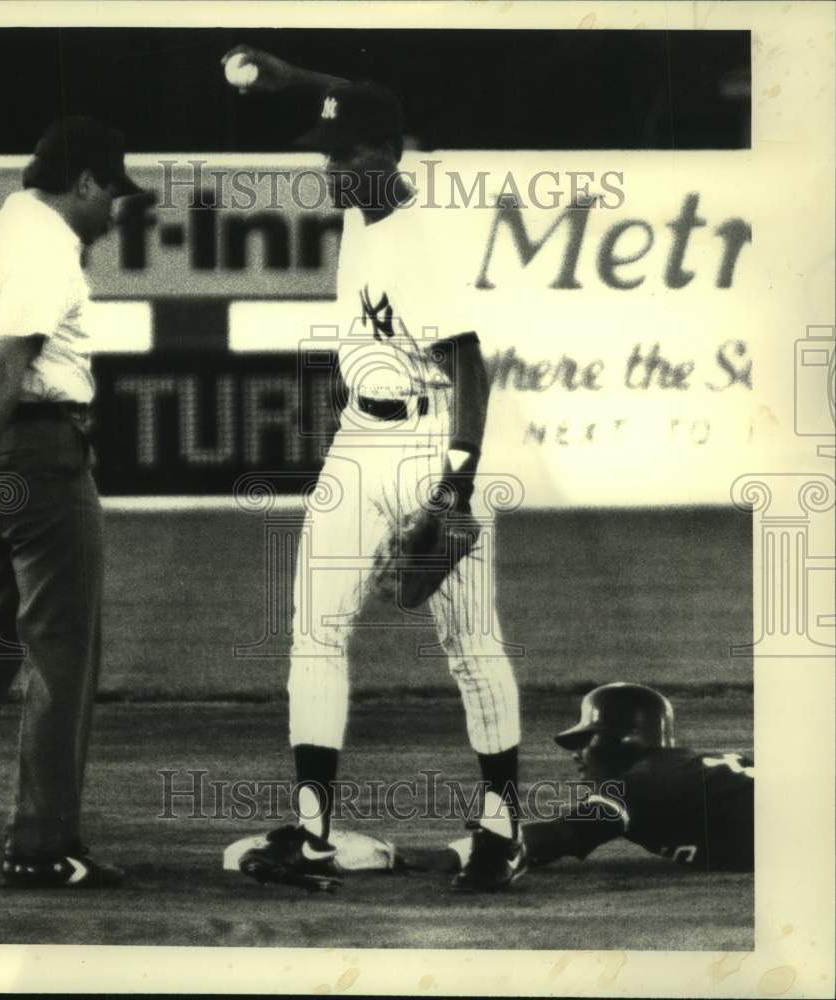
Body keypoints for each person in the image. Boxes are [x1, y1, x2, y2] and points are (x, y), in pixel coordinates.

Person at [222, 47, 524, 893]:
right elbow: (362, 107)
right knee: (314, 632)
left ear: (387, 157)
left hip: (432, 446)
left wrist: (456, 486)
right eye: (324, 155)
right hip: (358, 442)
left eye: (344, 156)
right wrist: (293, 81)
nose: (330, 171)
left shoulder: (416, 241)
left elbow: (469, 365)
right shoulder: (365, 202)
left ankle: (503, 827)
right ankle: (312, 830)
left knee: (470, 645)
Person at [0, 116, 143, 888]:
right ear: (82, 182)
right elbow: (10, 357)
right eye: (111, 191)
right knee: (62, 647)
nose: (114, 209)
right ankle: (41, 845)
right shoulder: (47, 245)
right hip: (35, 452)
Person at [427, 682, 753, 874]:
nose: (576, 754)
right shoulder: (679, 770)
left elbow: (565, 833)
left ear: (624, 740)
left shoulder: (644, 784)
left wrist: (445, 857)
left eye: (586, 741)